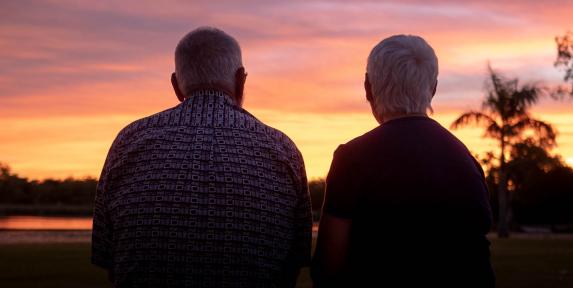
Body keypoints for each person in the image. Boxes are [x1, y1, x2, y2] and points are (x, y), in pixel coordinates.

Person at [92, 27, 312, 287]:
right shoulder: (281, 149)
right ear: (241, 79)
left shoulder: (129, 141)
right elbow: (295, 260)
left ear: (176, 85)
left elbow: (109, 258)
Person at [311, 35, 495, 287]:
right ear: (433, 88)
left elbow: (327, 268)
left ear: (368, 87)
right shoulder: (466, 161)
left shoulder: (352, 159)